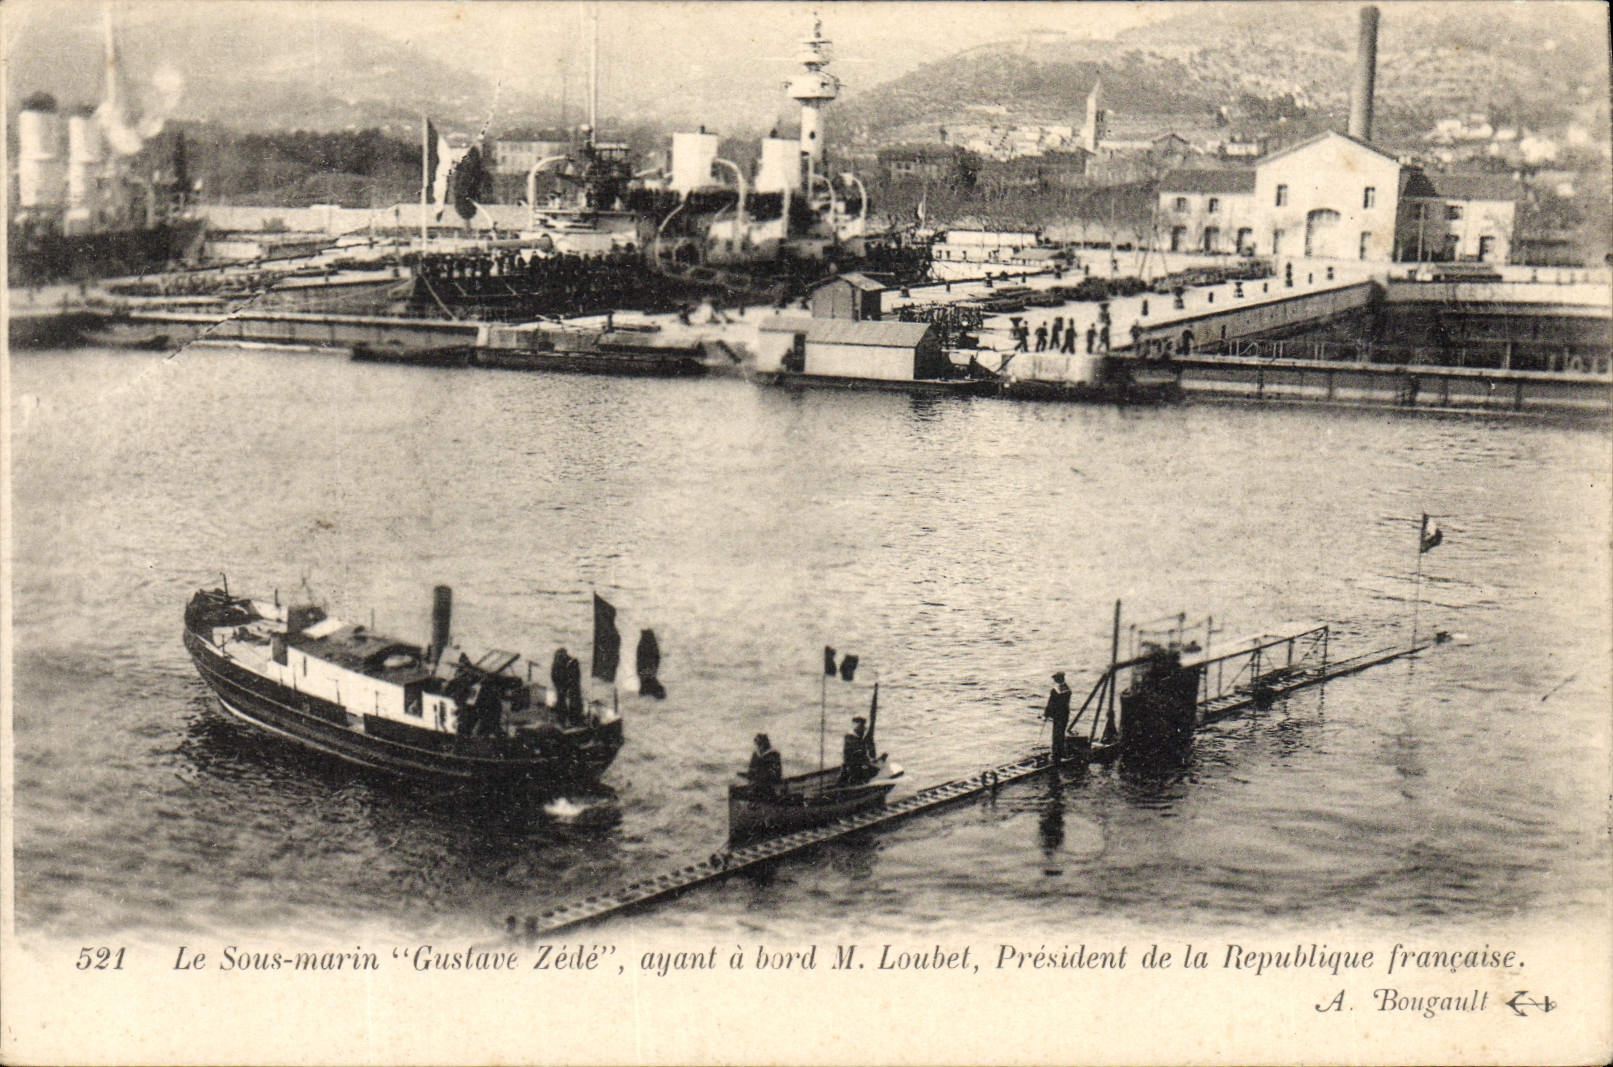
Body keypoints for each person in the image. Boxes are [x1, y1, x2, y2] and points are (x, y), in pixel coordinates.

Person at [1044, 671, 1072, 765]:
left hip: (1058, 715)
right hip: (1065, 714)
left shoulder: (1055, 690)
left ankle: (1056, 756)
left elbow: (1051, 704)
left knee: (1056, 734)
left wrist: (1046, 714)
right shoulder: (1067, 688)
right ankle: (1061, 753)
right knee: (1061, 733)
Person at [840, 717, 878, 784]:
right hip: (852, 766)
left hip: (859, 764)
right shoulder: (849, 737)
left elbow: (870, 748)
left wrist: (872, 757)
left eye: (862, 727)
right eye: (860, 727)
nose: (863, 729)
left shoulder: (862, 737)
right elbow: (856, 753)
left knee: (873, 770)